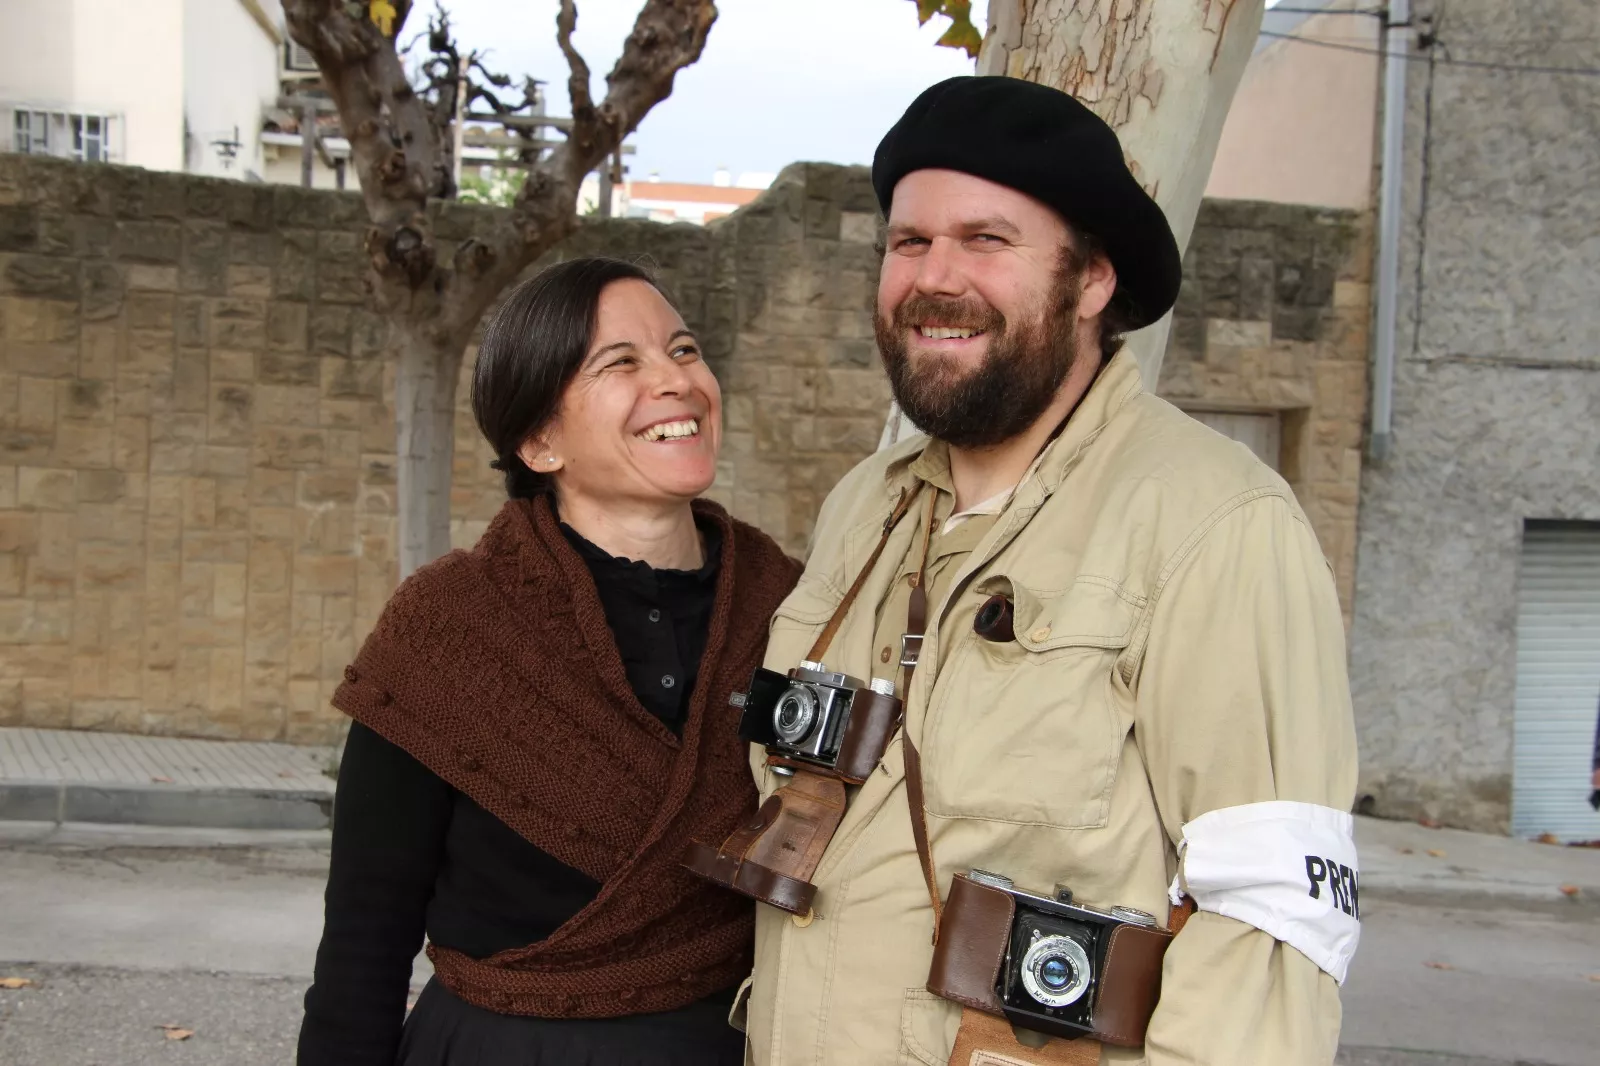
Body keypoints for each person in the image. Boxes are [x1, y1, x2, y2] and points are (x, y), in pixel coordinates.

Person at [738, 77, 1361, 1065]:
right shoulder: (867, 502)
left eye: (986, 240)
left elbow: (1273, 924)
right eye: (909, 242)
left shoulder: (1218, 522)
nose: (934, 277)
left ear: (1092, 280)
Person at [297, 256, 800, 1066]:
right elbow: (365, 937)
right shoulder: (451, 628)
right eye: (621, 363)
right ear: (539, 441)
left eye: (683, 349)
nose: (675, 380)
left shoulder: (796, 611)